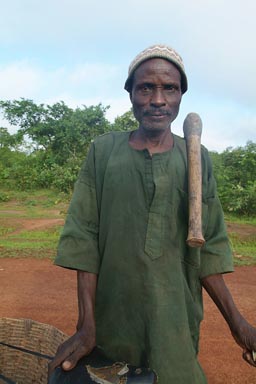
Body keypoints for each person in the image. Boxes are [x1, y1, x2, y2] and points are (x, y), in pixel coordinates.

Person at [48, 44, 256, 383]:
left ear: (180, 96)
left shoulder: (196, 158)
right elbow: (84, 237)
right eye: (146, 87)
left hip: (175, 321)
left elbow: (210, 248)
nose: (157, 99)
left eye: (169, 88)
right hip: (113, 322)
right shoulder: (104, 152)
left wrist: (239, 325)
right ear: (130, 93)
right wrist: (86, 327)